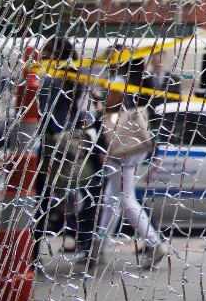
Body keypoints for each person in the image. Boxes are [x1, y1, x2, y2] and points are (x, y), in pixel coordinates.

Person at [88, 49, 169, 271]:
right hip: (136, 144)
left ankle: (154, 241)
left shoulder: (119, 82)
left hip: (122, 145)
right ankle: (99, 246)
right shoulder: (141, 81)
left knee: (123, 198)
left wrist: (99, 101)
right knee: (113, 197)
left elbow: (109, 112)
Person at [34, 37, 99, 267]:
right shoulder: (77, 80)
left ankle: (31, 254)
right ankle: (86, 246)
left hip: (53, 146)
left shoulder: (50, 82)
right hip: (75, 145)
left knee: (41, 201)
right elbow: (85, 115)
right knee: (85, 198)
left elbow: (45, 117)